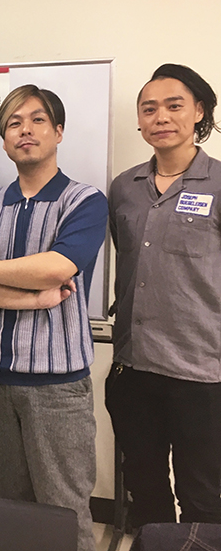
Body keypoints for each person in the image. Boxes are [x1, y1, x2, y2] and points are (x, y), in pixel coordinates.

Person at [0, 85, 108, 551]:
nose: (26, 130)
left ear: (58, 131)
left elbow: (58, 267)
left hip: (55, 381)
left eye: (37, 120)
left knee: (64, 509)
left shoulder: (84, 201)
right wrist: (35, 301)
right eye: (14, 123)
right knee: (9, 505)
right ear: (3, 141)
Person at [107, 63, 221, 527]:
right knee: (146, 487)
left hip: (202, 372)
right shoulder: (124, 188)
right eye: (149, 109)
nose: (161, 118)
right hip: (133, 368)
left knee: (203, 495)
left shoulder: (219, 183)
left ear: (199, 112)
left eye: (174, 106)